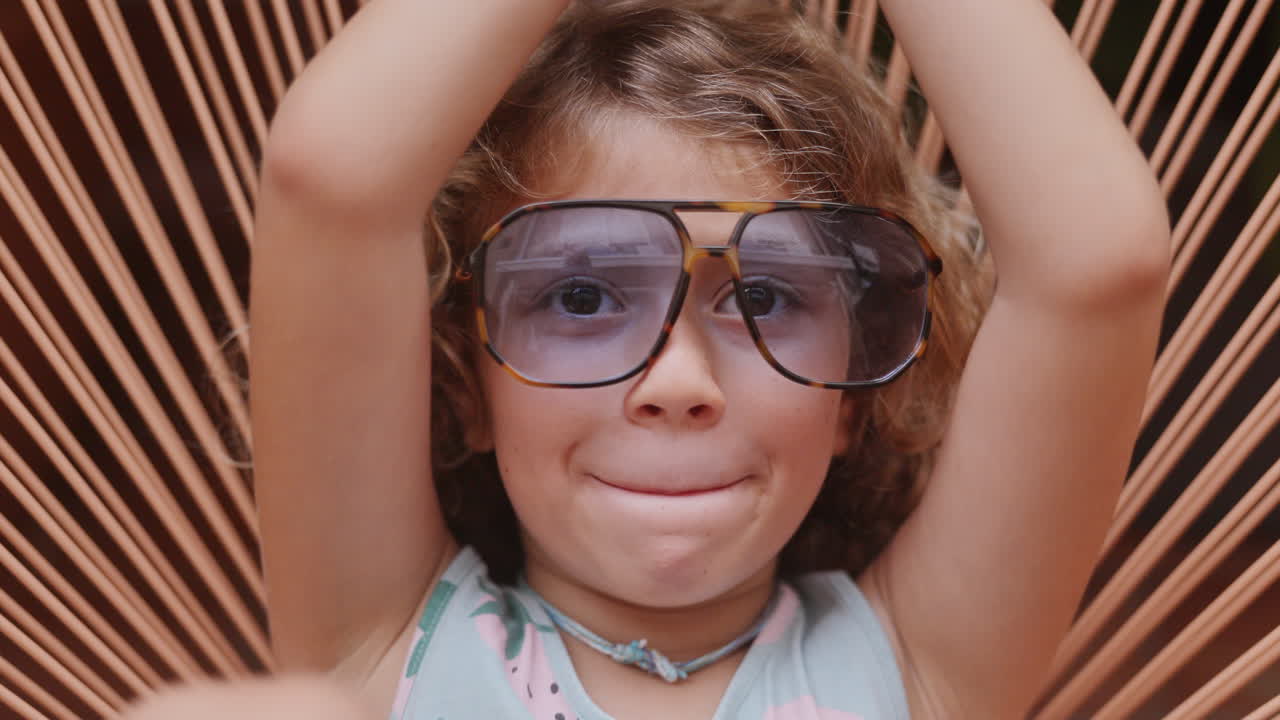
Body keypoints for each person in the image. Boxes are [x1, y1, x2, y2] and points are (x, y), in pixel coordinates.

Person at [126, 0, 1170, 718]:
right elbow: (333, 179)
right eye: (580, 295)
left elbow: (1097, 265)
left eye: (763, 296)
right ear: (465, 375)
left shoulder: (916, 671)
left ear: (857, 392)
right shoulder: (383, 647)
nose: (678, 384)